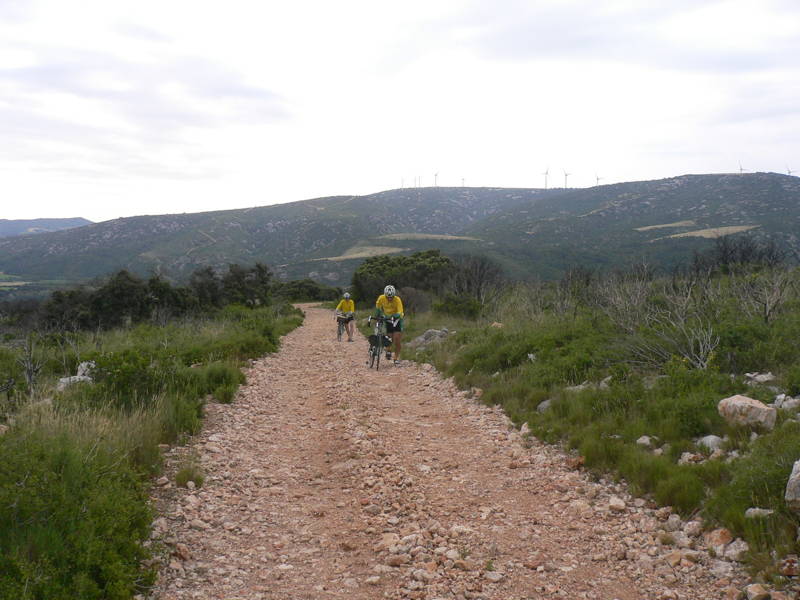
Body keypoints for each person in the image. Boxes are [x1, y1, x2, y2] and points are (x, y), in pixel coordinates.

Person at [374, 285, 404, 366]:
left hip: (397, 320)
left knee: (397, 339)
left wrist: (395, 316)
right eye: (388, 297)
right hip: (387, 320)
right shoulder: (381, 298)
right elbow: (378, 308)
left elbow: (400, 311)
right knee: (389, 339)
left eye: (391, 297)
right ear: (385, 295)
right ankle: (388, 351)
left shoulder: (397, 300)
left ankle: (396, 358)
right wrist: (378, 315)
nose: (390, 299)